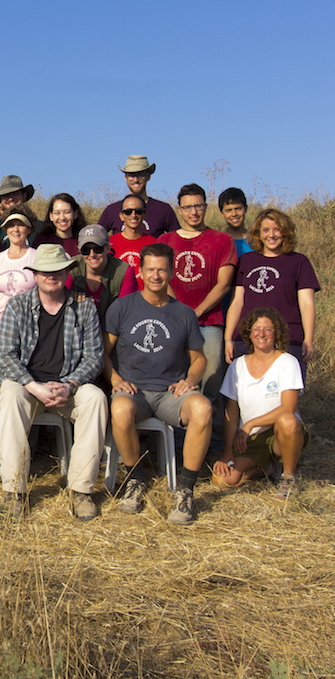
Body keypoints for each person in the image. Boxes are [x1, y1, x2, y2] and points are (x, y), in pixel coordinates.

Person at [0, 244, 108, 520]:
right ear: (35, 273)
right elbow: (5, 356)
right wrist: (33, 386)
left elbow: (94, 358)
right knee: (9, 397)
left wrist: (69, 385)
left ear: (67, 271)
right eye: (44, 271)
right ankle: (14, 491)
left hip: (67, 387)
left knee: (96, 398)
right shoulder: (18, 305)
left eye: (57, 270)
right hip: (28, 386)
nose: (51, 276)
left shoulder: (84, 308)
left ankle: (81, 490)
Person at [103, 243, 212, 525]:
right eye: (150, 269)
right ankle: (135, 479)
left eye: (162, 269)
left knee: (202, 408)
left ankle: (186, 490)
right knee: (120, 410)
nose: (156, 275)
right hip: (134, 392)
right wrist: (114, 378)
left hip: (169, 394)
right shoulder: (122, 307)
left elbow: (199, 359)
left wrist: (190, 380)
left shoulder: (184, 314)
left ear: (172, 272)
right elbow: (103, 352)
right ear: (139, 272)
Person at [159, 184, 236, 439]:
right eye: (188, 207)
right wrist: (181, 312)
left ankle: (212, 446)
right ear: (179, 209)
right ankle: (179, 445)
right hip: (172, 321)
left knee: (210, 383)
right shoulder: (166, 240)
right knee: (177, 383)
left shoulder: (222, 240)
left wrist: (198, 310)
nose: (194, 212)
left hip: (210, 323)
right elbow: (161, 279)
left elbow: (224, 283)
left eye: (199, 206)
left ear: (205, 206)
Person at [212, 308, 308, 499]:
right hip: (251, 438)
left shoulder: (287, 362)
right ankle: (266, 467)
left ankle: (288, 475)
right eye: (256, 328)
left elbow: (288, 408)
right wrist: (227, 451)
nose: (261, 334)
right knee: (221, 480)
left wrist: (250, 423)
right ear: (249, 333)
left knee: (287, 421)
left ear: (276, 333)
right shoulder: (237, 366)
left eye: (268, 329)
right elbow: (231, 412)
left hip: (280, 433)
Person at [224, 208, 319, 366]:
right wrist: (228, 338)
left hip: (288, 339)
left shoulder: (299, 261)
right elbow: (237, 302)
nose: (271, 235)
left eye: (277, 229)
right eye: (266, 230)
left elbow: (307, 303)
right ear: (258, 233)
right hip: (247, 339)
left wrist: (308, 339)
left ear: (285, 232)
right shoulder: (247, 261)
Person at [0, 209, 37, 333]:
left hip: (27, 329)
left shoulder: (38, 258)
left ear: (29, 229)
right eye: (11, 225)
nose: (15, 229)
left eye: (21, 225)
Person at [67, 224, 138, 323]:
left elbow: (125, 313)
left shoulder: (124, 271)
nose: (92, 255)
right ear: (79, 251)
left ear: (108, 248)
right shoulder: (72, 267)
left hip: (113, 328)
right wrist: (70, 295)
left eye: (97, 249)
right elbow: (59, 299)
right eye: (86, 250)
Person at [97, 155, 179, 237]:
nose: (135, 180)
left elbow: (177, 240)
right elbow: (96, 238)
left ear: (148, 177)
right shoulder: (111, 210)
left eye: (140, 175)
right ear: (125, 178)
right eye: (131, 175)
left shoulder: (163, 210)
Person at [108, 193, 157, 290]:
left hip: (146, 300)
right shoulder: (109, 244)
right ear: (121, 216)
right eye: (128, 212)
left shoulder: (155, 244)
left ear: (145, 215)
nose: (133, 215)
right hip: (118, 300)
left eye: (138, 211)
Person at [0, 175, 41, 245]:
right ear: (1, 199)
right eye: (6, 195)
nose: (11, 198)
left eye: (15, 193)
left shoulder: (40, 228)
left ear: (24, 195)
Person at [218, 187, 252, 259]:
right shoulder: (217, 242)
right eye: (228, 210)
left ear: (246, 209)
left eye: (238, 209)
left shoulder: (257, 241)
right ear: (221, 213)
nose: (234, 214)